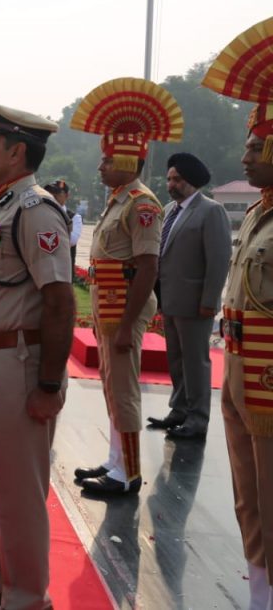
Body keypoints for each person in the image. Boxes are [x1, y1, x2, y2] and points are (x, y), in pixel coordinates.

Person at [0, 100, 74, 610]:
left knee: (21, 489)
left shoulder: (35, 209)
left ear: (18, 151)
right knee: (1, 482)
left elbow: (59, 300)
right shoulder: (4, 205)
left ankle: (29, 597)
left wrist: (48, 384)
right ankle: (7, 581)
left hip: (22, 362)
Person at [69, 77, 183, 496]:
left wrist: (126, 324)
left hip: (124, 312)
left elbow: (149, 267)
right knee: (111, 390)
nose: (99, 167)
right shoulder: (119, 199)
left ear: (125, 160)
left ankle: (128, 474)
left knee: (125, 392)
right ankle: (116, 460)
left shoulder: (142, 204)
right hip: (109, 309)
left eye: (105, 160)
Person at [201, 16, 273, 610]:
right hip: (242, 375)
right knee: (249, 493)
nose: (244, 156)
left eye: (254, 146)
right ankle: (257, 590)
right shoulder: (255, 214)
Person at [146, 153, 231, 440]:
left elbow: (218, 260)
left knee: (195, 361)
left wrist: (210, 300)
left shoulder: (210, 211)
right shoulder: (170, 209)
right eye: (170, 178)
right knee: (176, 359)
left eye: (177, 179)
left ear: (191, 181)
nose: (171, 184)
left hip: (196, 303)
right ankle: (179, 409)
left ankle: (198, 418)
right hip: (170, 299)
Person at [43, 180, 82, 276]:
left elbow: (71, 241)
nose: (52, 196)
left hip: (63, 270)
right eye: (50, 192)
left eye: (56, 193)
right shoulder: (40, 214)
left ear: (67, 196)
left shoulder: (74, 217)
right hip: (42, 267)